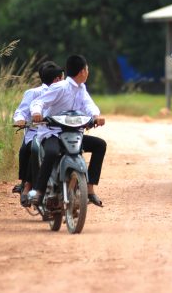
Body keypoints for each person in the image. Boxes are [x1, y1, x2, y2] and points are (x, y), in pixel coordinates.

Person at [28, 54, 107, 207]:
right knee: (51, 152)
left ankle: (90, 189)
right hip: (53, 133)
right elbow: (39, 102)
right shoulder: (60, 87)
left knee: (100, 145)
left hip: (73, 133)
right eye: (87, 69)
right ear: (82, 71)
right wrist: (37, 113)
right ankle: (39, 191)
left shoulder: (81, 88)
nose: (88, 72)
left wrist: (96, 116)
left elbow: (89, 105)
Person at [12, 61, 64, 206]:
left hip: (56, 132)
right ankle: (27, 185)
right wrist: (20, 120)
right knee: (31, 149)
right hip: (35, 132)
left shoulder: (64, 92)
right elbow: (21, 111)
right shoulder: (34, 93)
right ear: (58, 79)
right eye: (63, 77)